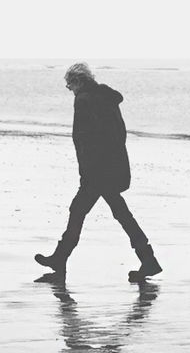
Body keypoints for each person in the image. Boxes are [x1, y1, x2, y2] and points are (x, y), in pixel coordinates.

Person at [35, 62, 162, 281]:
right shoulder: (107, 98)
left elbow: (86, 139)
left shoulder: (84, 100)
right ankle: (148, 260)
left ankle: (60, 258)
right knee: (117, 214)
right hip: (111, 166)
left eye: (69, 84)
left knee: (81, 211)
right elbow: (117, 134)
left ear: (78, 81)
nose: (69, 89)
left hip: (97, 170)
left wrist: (88, 170)